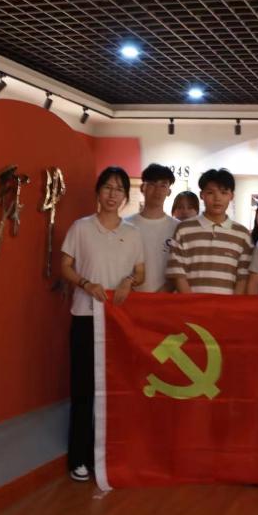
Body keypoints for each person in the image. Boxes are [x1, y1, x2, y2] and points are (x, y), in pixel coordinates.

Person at [60, 166, 145, 483]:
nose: (113, 194)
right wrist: (85, 283)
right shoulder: (81, 228)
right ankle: (79, 458)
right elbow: (65, 265)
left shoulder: (132, 233)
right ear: (98, 192)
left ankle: (109, 456)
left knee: (115, 390)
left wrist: (128, 281)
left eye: (119, 189)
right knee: (83, 390)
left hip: (118, 321)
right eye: (107, 187)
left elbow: (140, 272)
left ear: (125, 196)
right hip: (85, 316)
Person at [167, 168, 253, 295]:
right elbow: (177, 272)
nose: (217, 198)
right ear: (202, 195)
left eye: (224, 192)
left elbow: (243, 277)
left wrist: (231, 304)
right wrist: (192, 303)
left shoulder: (242, 235)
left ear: (231, 196)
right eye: (211, 192)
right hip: (190, 305)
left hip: (227, 306)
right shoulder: (184, 229)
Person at [125, 163, 179, 292]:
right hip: (132, 297)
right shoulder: (125, 225)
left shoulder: (178, 228)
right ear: (142, 188)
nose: (158, 190)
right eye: (152, 184)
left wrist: (161, 295)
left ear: (169, 191)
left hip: (167, 298)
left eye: (163, 185)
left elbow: (180, 268)